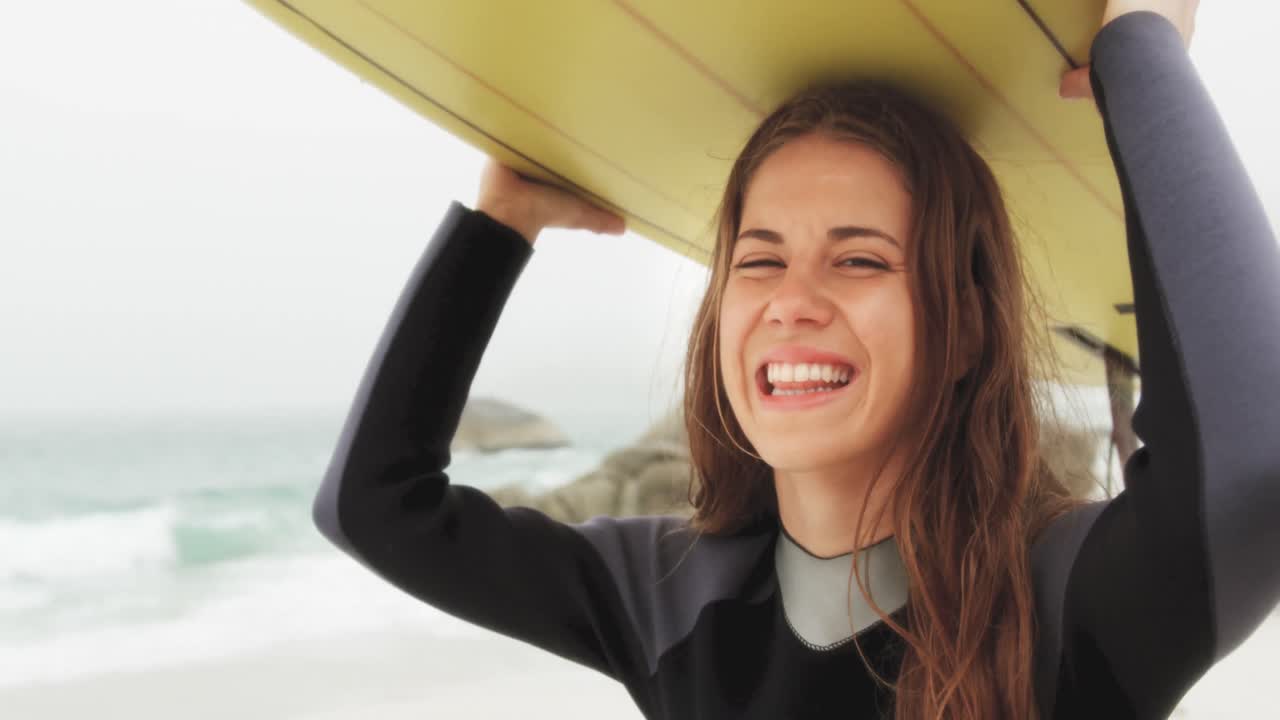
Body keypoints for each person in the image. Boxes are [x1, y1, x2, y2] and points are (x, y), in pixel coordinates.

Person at [312, 1, 1280, 717]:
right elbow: (374, 505)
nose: (790, 301)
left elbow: (1247, 466)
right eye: (757, 259)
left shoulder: (1060, 602)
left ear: (965, 328)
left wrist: (1140, 49)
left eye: (858, 259)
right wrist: (501, 221)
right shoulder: (670, 598)